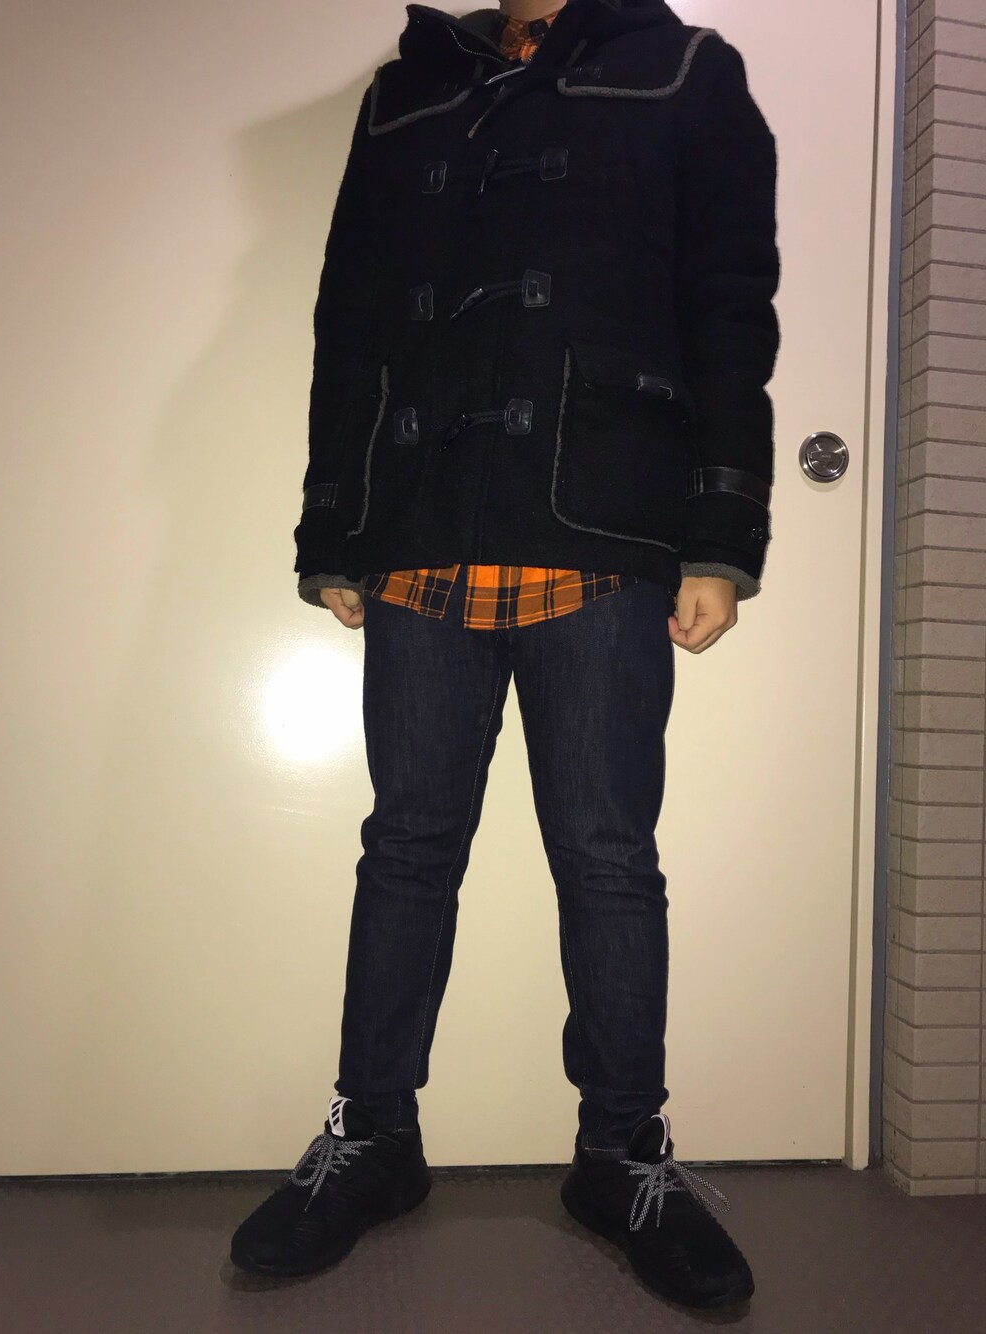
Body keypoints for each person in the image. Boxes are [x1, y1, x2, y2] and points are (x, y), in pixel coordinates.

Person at [230, 0, 779, 1313]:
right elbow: (351, 318)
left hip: (600, 526)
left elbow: (728, 310)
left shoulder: (685, 70)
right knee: (406, 846)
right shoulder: (407, 91)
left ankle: (622, 1155)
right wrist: (333, 526)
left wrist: (721, 533)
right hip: (423, 528)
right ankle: (375, 1136)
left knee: (606, 855)